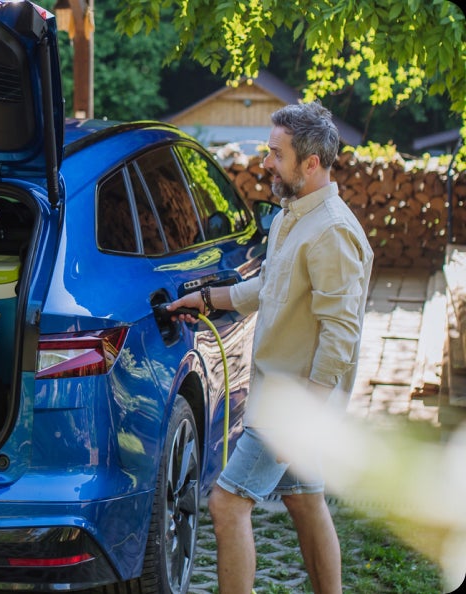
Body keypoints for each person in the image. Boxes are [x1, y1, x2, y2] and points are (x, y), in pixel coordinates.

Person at [167, 101, 373, 594]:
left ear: (311, 163)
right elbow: (265, 287)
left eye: (276, 154)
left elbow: (339, 335)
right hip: (279, 396)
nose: (265, 163)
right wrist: (207, 298)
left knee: (226, 504)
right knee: (305, 500)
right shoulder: (290, 218)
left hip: (294, 403)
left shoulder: (333, 231)